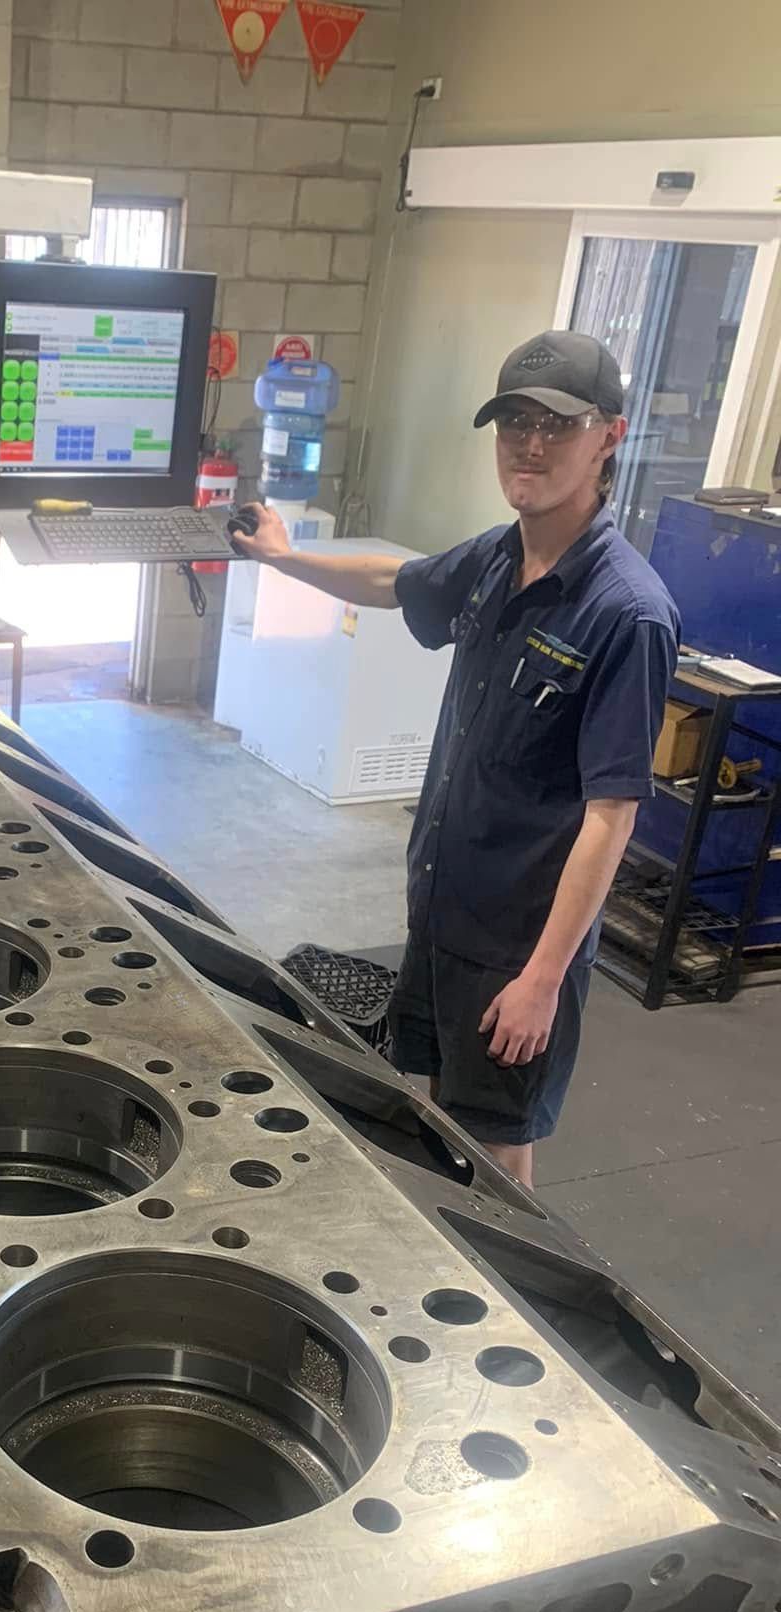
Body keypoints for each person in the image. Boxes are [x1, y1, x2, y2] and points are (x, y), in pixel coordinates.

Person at [230, 330, 679, 1187]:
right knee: (443, 1116)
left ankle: (510, 1303)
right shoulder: (497, 558)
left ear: (609, 437)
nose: (531, 445)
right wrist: (285, 559)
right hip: (440, 912)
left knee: (501, 1148)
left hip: (516, 947)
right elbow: (392, 583)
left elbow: (611, 814)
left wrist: (543, 979)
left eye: (558, 425)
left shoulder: (627, 615)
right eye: (514, 422)